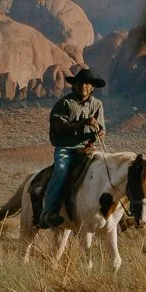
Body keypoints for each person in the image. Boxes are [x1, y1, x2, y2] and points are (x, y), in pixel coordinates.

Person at [40, 67, 106, 228]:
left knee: (105, 170)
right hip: (66, 147)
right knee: (61, 171)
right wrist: (82, 123)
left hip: (88, 147)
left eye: (88, 83)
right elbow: (58, 127)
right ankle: (47, 213)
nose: (84, 86)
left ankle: (112, 214)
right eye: (81, 83)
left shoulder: (97, 104)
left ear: (92, 87)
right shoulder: (65, 103)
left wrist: (101, 131)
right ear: (74, 85)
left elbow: (101, 126)